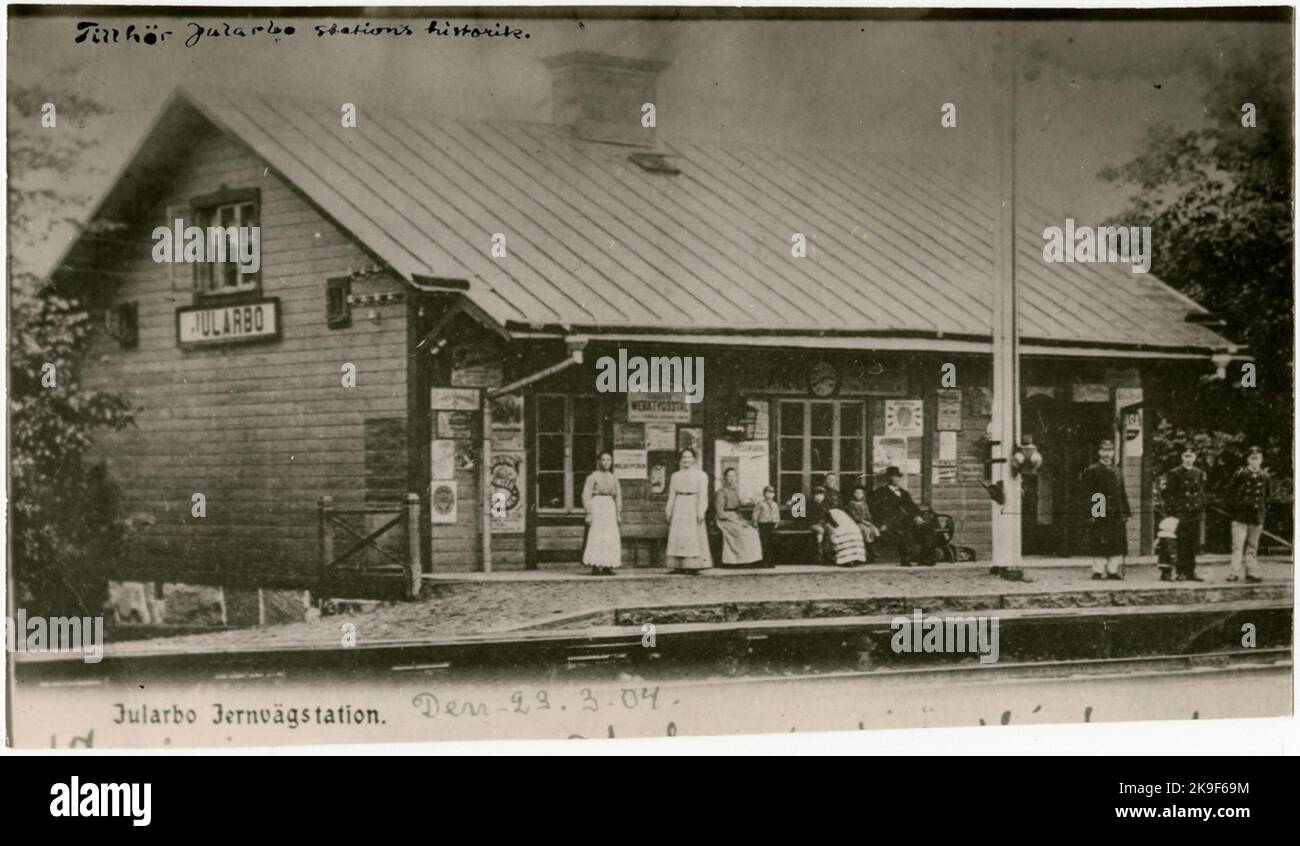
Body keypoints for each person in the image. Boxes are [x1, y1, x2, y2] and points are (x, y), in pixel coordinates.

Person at [1080, 439, 1130, 580]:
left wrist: (1126, 512)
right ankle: (1098, 570)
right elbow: (1090, 492)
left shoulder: (1117, 470)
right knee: (1100, 538)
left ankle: (1113, 570)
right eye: (1104, 451)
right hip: (1100, 507)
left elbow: (1122, 492)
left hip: (1116, 510)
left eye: (1109, 451)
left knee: (1116, 541)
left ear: (1113, 452)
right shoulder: (1093, 470)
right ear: (1099, 452)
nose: (1107, 454)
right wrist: (1095, 513)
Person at [1159, 445, 1207, 581]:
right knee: (1181, 542)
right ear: (1181, 457)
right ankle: (1181, 571)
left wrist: (1200, 506)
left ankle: (1191, 571)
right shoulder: (1174, 473)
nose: (1188, 459)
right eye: (1186, 456)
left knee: (1192, 543)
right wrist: (1173, 511)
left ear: (1195, 458)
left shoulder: (1199, 473)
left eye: (1191, 456)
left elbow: (1202, 493)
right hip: (1180, 512)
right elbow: (1167, 493)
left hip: (1194, 512)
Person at [870, 466, 934, 566]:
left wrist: (918, 516)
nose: (895, 479)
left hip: (907, 520)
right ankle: (905, 558)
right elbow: (876, 511)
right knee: (902, 531)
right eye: (892, 477)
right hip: (890, 522)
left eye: (897, 477)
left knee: (926, 528)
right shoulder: (880, 493)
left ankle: (924, 558)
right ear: (887, 478)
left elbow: (913, 507)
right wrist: (882, 524)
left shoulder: (904, 493)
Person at [1224, 447, 1270, 583]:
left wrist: (1262, 513)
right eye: (1252, 458)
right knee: (1237, 546)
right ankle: (1234, 573)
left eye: (1257, 458)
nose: (1255, 461)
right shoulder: (1241, 474)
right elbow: (1230, 492)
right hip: (1241, 516)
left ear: (1261, 460)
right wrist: (1236, 509)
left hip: (1256, 516)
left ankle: (1251, 571)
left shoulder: (1265, 476)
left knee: (1252, 546)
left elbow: (1267, 496)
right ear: (1248, 460)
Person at [665, 447, 712, 574]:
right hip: (680, 505)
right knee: (678, 535)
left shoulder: (701, 475)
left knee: (692, 536)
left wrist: (701, 510)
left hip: (693, 504)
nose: (686, 460)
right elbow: (672, 495)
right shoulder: (675, 476)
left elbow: (703, 494)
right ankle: (678, 565)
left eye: (689, 457)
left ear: (694, 459)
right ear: (680, 460)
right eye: (684, 457)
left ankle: (693, 566)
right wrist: (669, 511)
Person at [581, 451, 623, 576]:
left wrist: (618, 512)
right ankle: (595, 565)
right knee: (597, 535)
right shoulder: (592, 477)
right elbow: (586, 495)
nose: (606, 462)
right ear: (599, 461)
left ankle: (607, 565)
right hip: (597, 505)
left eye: (608, 460)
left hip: (609, 506)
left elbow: (618, 496)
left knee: (609, 536)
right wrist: (588, 512)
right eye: (603, 460)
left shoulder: (614, 477)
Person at [715, 467, 764, 568]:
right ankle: (735, 561)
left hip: (736, 518)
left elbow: (737, 509)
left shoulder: (735, 491)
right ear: (724, 478)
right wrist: (733, 518)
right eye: (729, 476)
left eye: (734, 476)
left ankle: (750, 560)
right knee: (742, 533)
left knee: (752, 531)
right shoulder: (720, 492)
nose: (731, 479)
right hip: (724, 519)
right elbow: (720, 512)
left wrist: (743, 520)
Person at [845, 485, 881, 552]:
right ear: (853, 494)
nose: (858, 495)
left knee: (875, 531)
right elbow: (854, 516)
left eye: (860, 493)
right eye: (856, 493)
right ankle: (868, 550)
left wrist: (870, 521)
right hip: (857, 523)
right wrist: (863, 522)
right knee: (866, 531)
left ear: (863, 494)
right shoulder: (851, 504)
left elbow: (868, 514)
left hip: (866, 522)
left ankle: (872, 548)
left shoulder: (864, 503)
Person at [752, 485, 781, 568]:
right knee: (764, 543)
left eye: (771, 493)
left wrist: (776, 522)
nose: (769, 495)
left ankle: (771, 562)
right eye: (767, 493)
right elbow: (755, 514)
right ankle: (764, 562)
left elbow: (777, 514)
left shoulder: (775, 504)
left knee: (771, 544)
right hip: (763, 525)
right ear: (764, 494)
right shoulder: (760, 504)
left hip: (771, 525)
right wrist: (755, 523)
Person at [807, 485, 834, 564]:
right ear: (814, 496)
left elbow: (829, 516)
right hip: (813, 524)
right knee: (820, 531)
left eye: (821, 495)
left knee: (831, 530)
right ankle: (820, 553)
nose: (819, 497)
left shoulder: (826, 505)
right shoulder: (810, 505)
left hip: (823, 523)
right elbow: (808, 518)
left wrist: (831, 524)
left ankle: (829, 552)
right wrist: (818, 521)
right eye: (817, 495)